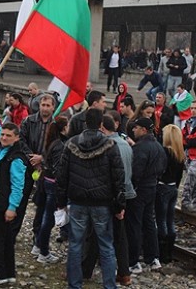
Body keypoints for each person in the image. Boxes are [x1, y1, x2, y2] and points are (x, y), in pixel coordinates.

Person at [56, 108, 126, 289]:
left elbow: (62, 175)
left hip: (78, 201)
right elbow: (118, 177)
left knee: (75, 244)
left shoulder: (71, 144)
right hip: (102, 203)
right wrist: (120, 205)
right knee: (106, 246)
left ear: (85, 122)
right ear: (101, 124)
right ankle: (109, 285)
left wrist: (61, 202)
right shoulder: (110, 146)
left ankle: (74, 284)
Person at [0, 92, 32, 286]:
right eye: (3, 135)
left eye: (8, 136)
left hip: (3, 203)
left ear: (16, 138)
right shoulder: (2, 147)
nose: (3, 137)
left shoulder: (16, 158)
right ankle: (8, 273)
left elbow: (18, 186)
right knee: (6, 239)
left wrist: (12, 207)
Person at [126, 117, 166, 275]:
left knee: (135, 224)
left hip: (139, 189)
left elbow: (135, 172)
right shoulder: (158, 146)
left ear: (143, 129)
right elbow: (162, 167)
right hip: (152, 187)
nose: (133, 130)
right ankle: (153, 258)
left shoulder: (140, 148)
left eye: (135, 128)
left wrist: (133, 186)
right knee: (149, 222)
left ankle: (134, 261)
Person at [101, 114, 135, 286]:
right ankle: (124, 273)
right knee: (120, 236)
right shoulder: (127, 145)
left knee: (97, 233)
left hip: (112, 196)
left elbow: (113, 175)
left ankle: (86, 269)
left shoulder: (109, 146)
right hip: (125, 194)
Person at [21, 94, 56, 254]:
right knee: (22, 198)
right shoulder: (29, 121)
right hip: (29, 166)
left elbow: (58, 146)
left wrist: (42, 158)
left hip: (46, 169)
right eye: (43, 105)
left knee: (41, 204)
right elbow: (21, 141)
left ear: (53, 107)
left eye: (48, 105)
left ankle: (38, 235)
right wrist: (32, 159)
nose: (45, 108)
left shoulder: (56, 125)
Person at [35, 116, 68, 264]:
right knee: (48, 220)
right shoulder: (60, 146)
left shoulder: (51, 143)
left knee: (43, 216)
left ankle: (38, 246)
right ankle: (43, 252)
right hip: (53, 185)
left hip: (45, 181)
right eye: (67, 126)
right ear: (63, 129)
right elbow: (58, 169)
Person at [155, 124, 185, 264]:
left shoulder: (164, 152)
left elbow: (159, 171)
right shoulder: (180, 153)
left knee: (161, 220)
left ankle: (162, 252)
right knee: (170, 220)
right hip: (173, 187)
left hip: (163, 187)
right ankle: (169, 252)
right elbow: (179, 176)